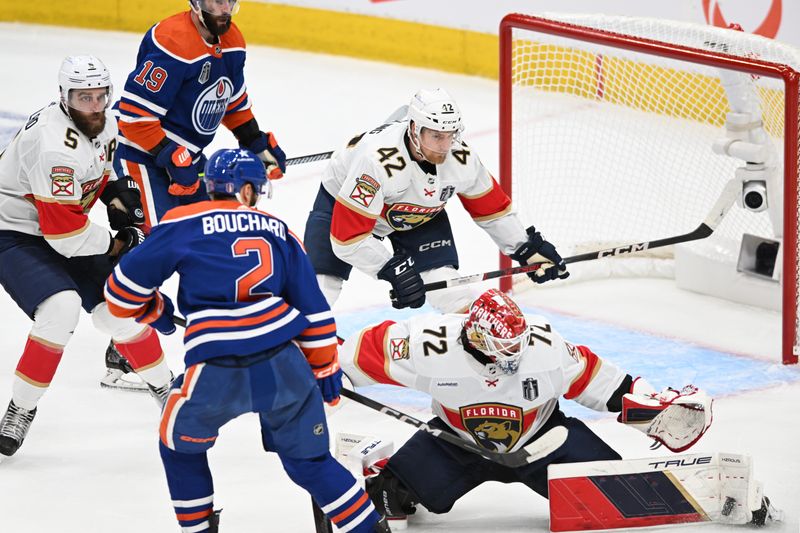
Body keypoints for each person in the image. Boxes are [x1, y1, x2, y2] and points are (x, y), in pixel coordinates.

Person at [104, 148, 390, 533]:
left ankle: (199, 528)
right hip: (285, 366)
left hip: (217, 369)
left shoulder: (182, 220)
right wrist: (324, 372)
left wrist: (153, 309)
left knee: (179, 445)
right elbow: (316, 312)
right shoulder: (279, 229)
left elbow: (119, 294)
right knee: (311, 463)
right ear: (251, 191)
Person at [337, 289, 739, 526]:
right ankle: (383, 469)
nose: (516, 355)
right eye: (506, 349)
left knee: (616, 497)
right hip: (455, 444)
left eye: (519, 345)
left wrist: (646, 405)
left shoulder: (543, 346)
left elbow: (594, 377)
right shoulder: (429, 344)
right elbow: (368, 350)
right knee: (389, 499)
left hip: (545, 441)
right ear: (476, 337)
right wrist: (332, 368)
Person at [0, 55, 174, 459]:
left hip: (60, 226)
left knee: (118, 310)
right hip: (16, 233)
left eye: (100, 96)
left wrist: (117, 195)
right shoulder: (53, 147)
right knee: (61, 309)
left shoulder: (103, 122)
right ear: (64, 98)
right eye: (84, 98)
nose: (94, 106)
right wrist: (120, 244)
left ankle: (167, 390)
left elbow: (103, 167)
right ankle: (20, 409)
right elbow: (65, 237)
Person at [107, 0, 287, 388]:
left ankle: (220, 338)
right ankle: (124, 350)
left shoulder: (233, 40)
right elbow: (134, 116)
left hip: (184, 156)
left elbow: (230, 100)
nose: (222, 8)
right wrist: (168, 154)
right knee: (154, 246)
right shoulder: (171, 40)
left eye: (228, 0)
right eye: (214, 0)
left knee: (211, 239)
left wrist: (255, 141)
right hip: (141, 155)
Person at [303, 88, 569, 313]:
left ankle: (481, 351)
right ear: (415, 130)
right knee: (320, 289)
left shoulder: (461, 159)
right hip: (342, 205)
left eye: (450, 135)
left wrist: (524, 248)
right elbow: (348, 238)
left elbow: (492, 210)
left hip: (417, 215)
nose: (445, 146)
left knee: (448, 290)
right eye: (436, 136)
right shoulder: (376, 163)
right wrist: (391, 270)